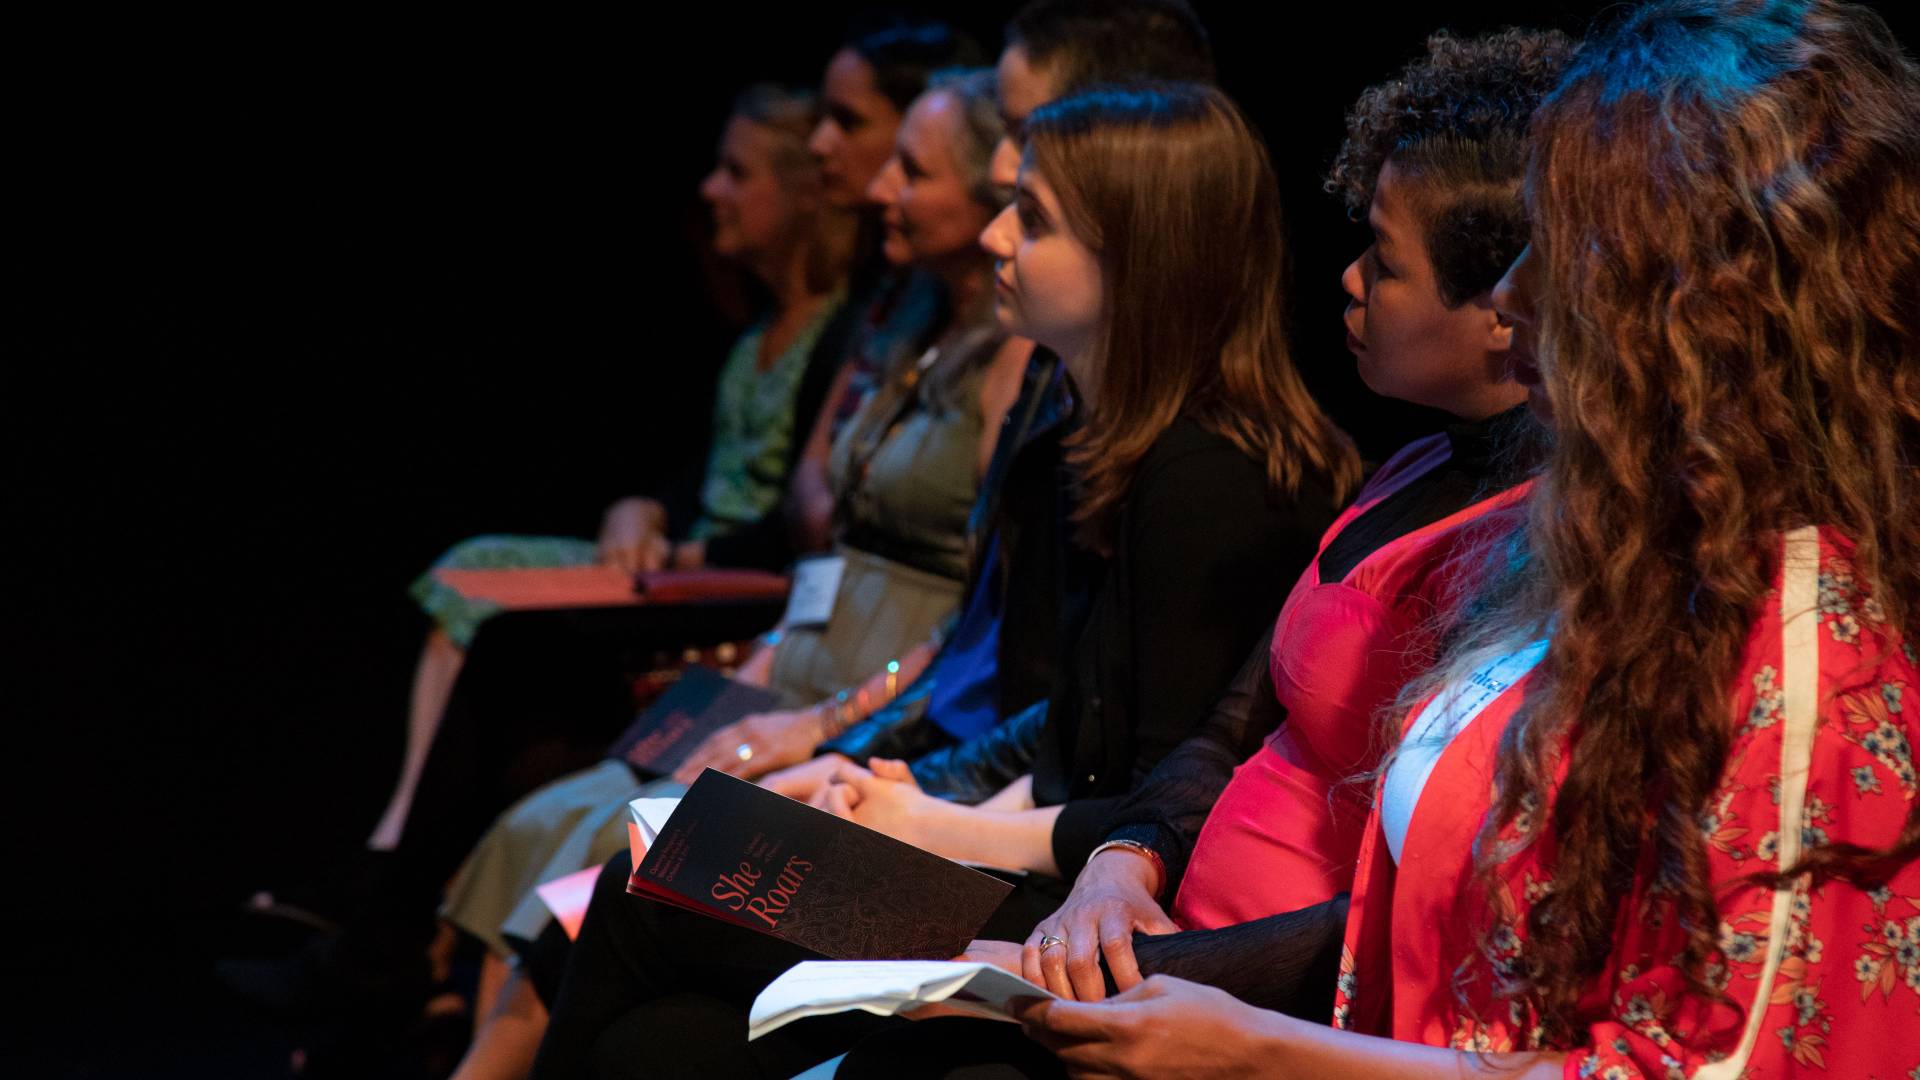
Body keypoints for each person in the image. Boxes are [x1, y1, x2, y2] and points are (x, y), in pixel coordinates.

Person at [1013, 2, 1920, 1077]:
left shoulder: (1810, 654)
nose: (1513, 290)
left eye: (1561, 247)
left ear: (1699, 311)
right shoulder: (1597, 552)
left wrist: (1248, 1047)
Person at [529, 80, 1358, 1080]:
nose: (996, 237)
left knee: (647, 887)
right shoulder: (1102, 443)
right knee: (658, 1032)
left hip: (1078, 920)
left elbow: (1160, 806)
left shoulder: (1212, 483)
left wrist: (931, 822)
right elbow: (1063, 740)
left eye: (1032, 219)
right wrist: (896, 789)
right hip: (1020, 862)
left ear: (1138, 258)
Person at [825, 28, 1569, 1076]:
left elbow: (1390, 902)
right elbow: (1225, 726)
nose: (1349, 278)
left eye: (1385, 261)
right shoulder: (1409, 467)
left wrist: (1129, 961)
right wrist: (1120, 862)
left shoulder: (1506, 536)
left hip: (1245, 990)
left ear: (1503, 311)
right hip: (1153, 927)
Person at [433, 67, 1028, 1080]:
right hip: (807, 655)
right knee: (552, 825)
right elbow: (809, 503)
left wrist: (833, 722)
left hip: (884, 697)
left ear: (985, 196)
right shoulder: (899, 326)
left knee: (614, 858)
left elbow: (979, 626)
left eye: (911, 171)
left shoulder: (1013, 362)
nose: (878, 189)